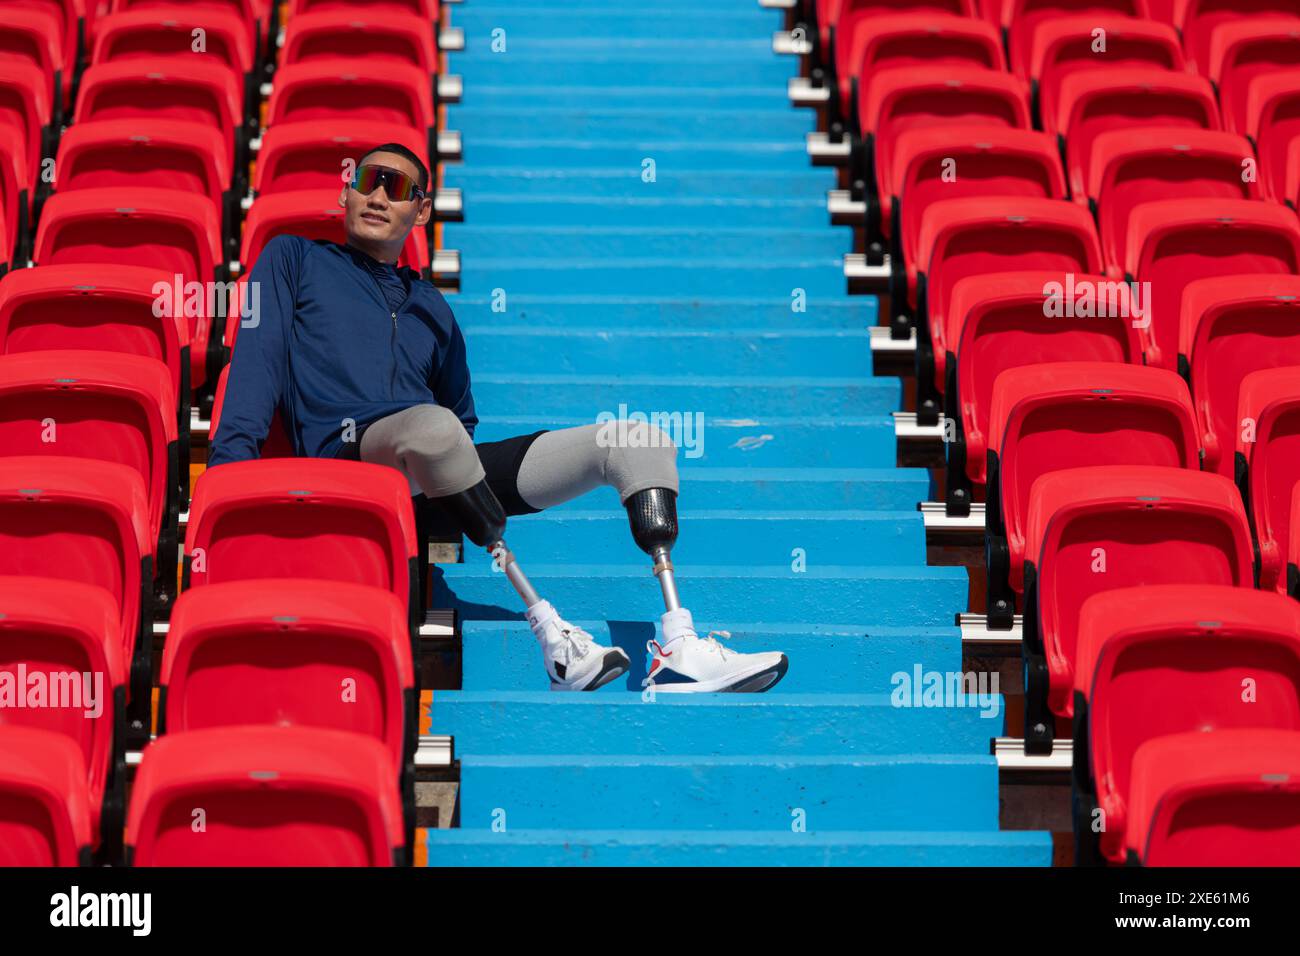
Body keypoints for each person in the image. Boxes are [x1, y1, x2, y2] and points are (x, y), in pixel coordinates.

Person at [209, 142, 789, 693]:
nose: (379, 195)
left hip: (431, 466)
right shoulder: (294, 258)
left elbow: (461, 419)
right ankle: (554, 637)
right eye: (366, 181)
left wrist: (443, 481)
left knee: (636, 440)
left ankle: (679, 647)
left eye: (398, 186)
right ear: (346, 195)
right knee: (434, 430)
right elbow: (254, 364)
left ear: (421, 210)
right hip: (347, 454)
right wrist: (229, 474)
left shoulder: (432, 308)